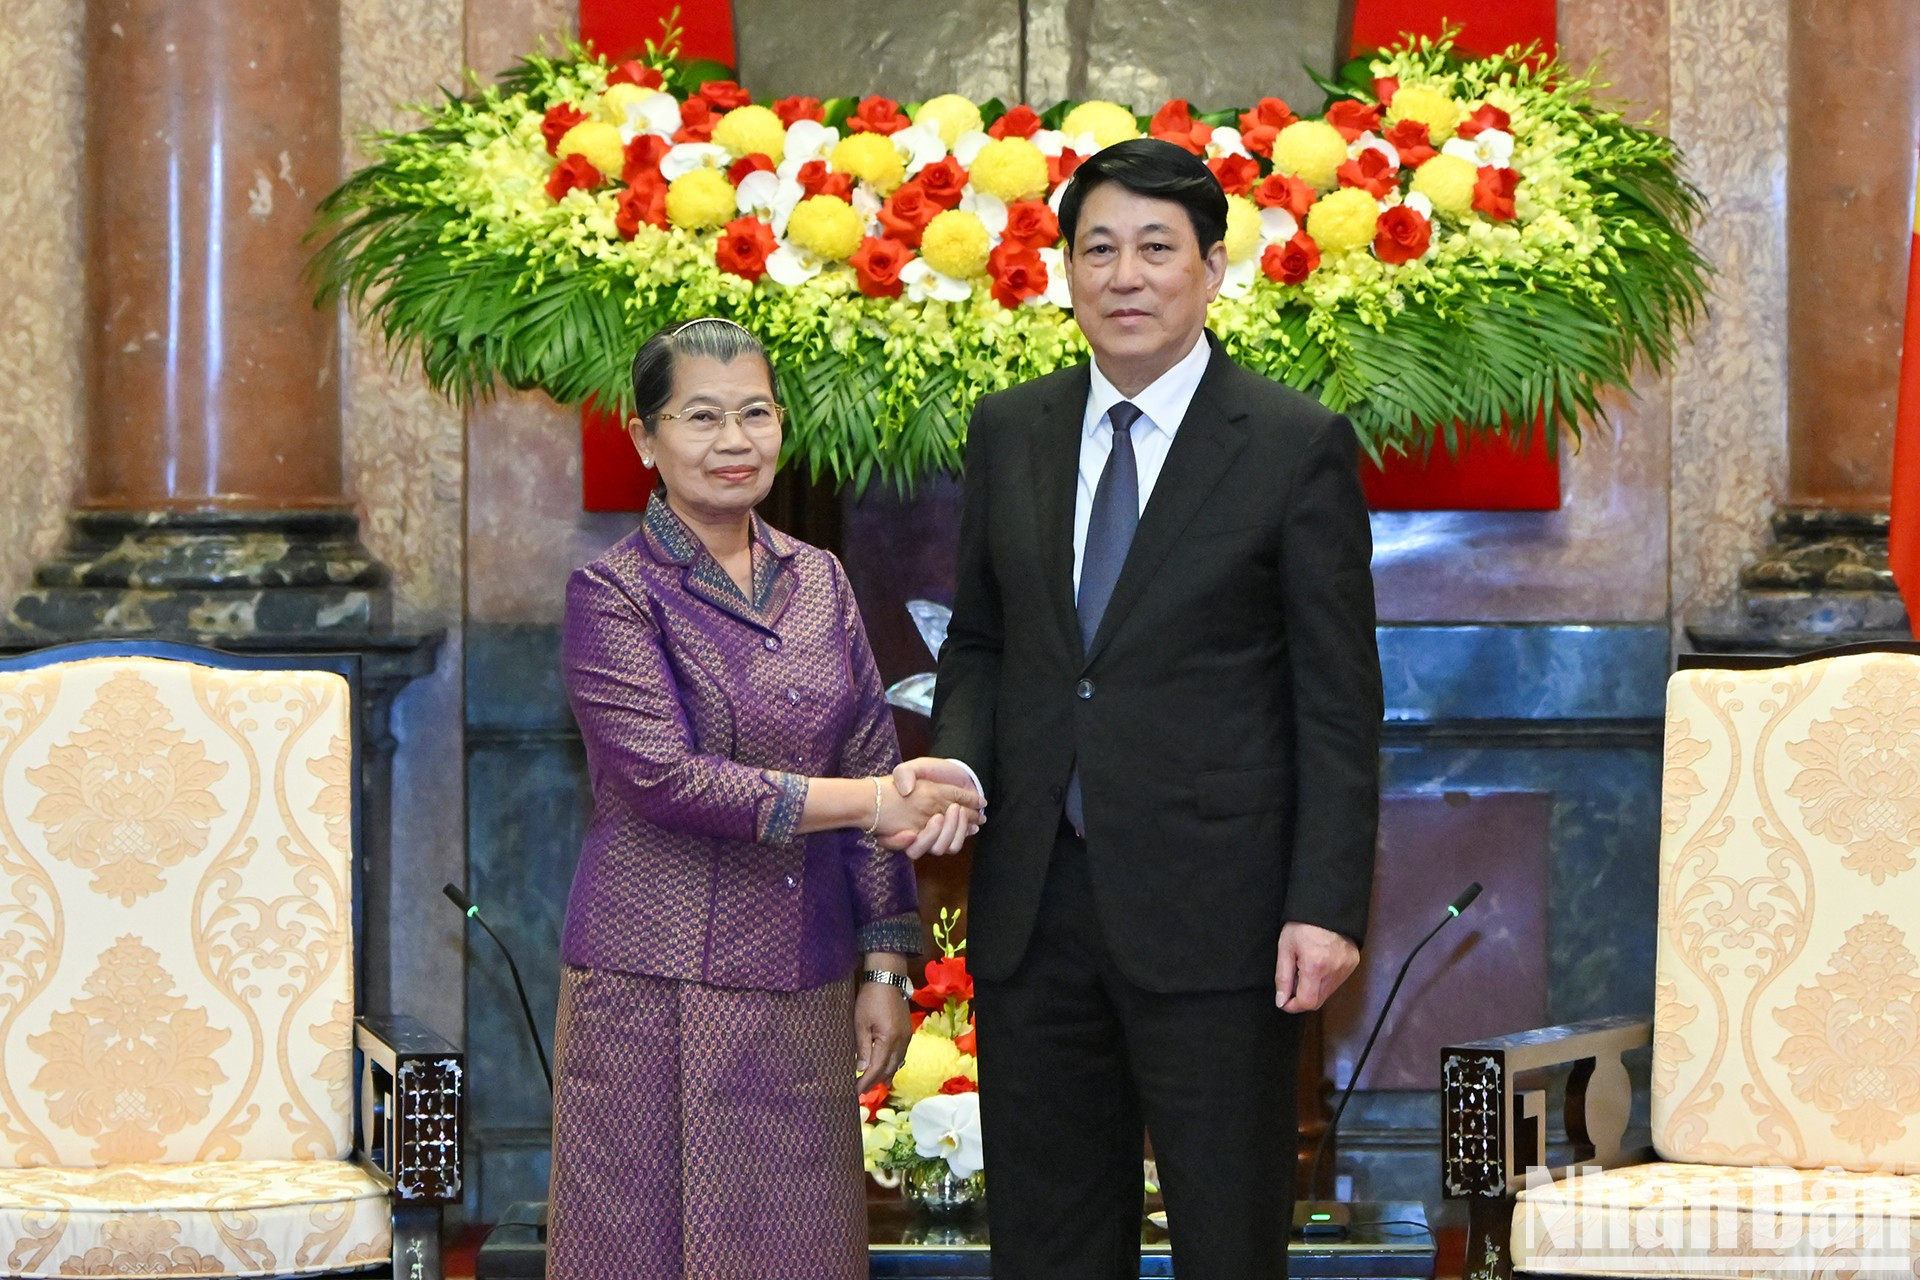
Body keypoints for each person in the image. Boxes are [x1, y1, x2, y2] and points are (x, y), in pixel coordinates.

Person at [910, 139, 1383, 1280]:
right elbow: (981, 642)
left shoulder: (1291, 445)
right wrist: (961, 763)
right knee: (1050, 1246)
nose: (1125, 276)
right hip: (1036, 904)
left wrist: (1324, 904)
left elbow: (1337, 700)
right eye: (1099, 249)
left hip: (1221, 914)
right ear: (1066, 270)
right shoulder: (1012, 429)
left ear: (1212, 269)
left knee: (1228, 1241)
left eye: (1156, 249)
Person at [548, 316, 983, 1280]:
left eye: (755, 413)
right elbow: (665, 778)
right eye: (701, 417)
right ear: (644, 438)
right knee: (647, 1253)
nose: (734, 441)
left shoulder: (819, 577)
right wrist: (869, 802)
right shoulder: (612, 592)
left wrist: (884, 963)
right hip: (656, 983)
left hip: (802, 975)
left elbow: (870, 751)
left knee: (800, 1248)